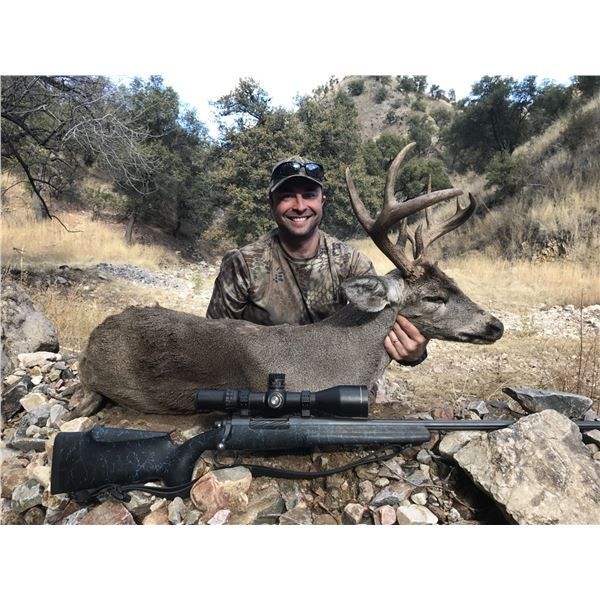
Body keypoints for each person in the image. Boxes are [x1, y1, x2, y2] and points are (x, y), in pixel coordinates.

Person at [206, 156, 428, 366]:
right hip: (263, 379)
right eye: (287, 196)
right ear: (271, 203)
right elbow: (213, 339)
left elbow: (382, 330)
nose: (300, 206)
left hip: (334, 378)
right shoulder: (243, 264)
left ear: (322, 201)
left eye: (309, 195)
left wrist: (414, 353)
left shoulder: (351, 263)